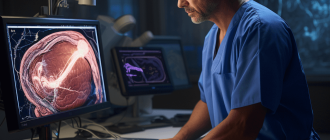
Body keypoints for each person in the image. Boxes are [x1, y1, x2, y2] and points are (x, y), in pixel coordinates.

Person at [162, 0, 320, 139]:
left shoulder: (261, 29)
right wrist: (179, 139)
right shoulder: (211, 37)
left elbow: (244, 125)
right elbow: (209, 103)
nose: (180, 3)